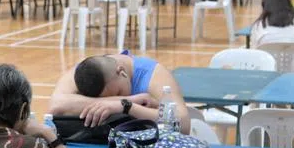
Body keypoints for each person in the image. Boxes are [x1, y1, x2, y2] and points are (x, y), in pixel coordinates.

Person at [49, 54, 190, 132]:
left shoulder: (154, 74)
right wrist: (129, 100)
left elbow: (183, 124)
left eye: (118, 92)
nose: (116, 98)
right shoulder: (85, 72)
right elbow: (56, 105)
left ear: (121, 71)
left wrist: (127, 107)